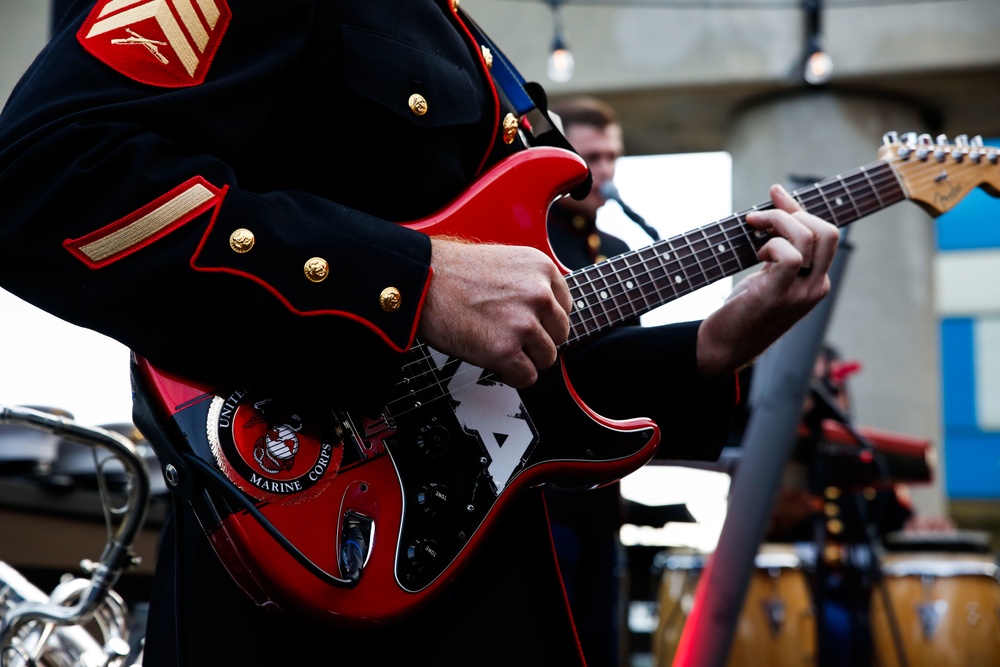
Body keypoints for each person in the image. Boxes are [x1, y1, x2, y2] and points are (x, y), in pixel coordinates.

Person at [0, 3, 840, 665]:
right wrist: (412, 279)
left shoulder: (465, 42)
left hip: (484, 575)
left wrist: (717, 343)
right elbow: (47, 177)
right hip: (307, 582)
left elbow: (500, 368)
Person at [542, 95, 643, 667]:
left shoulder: (622, 252)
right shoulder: (529, 241)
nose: (604, 170)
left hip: (602, 495)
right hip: (538, 495)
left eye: (612, 157)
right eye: (592, 156)